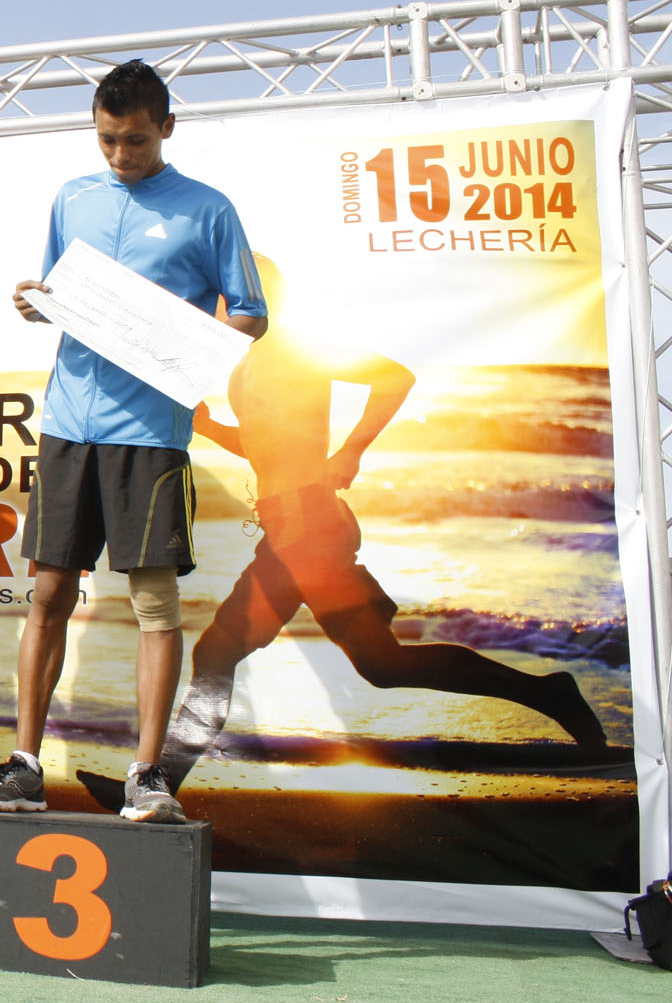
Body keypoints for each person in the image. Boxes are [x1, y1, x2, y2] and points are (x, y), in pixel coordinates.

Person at [75, 256, 605, 812]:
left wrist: (351, 449)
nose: (212, 306)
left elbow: (396, 375)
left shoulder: (294, 351)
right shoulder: (245, 366)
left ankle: (155, 785)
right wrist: (208, 426)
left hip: (309, 529)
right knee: (378, 664)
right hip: (293, 530)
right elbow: (265, 448)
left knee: (226, 653)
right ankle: (549, 692)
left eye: (221, 296)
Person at [0, 59, 267, 824]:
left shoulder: (208, 209)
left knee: (155, 604)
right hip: (70, 422)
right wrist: (37, 304)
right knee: (48, 593)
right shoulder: (74, 197)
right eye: (106, 140)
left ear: (166, 127)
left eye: (133, 141)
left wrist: (187, 345)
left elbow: (250, 314)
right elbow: (58, 291)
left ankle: (147, 777)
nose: (119, 156)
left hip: (151, 431)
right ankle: (27, 765)